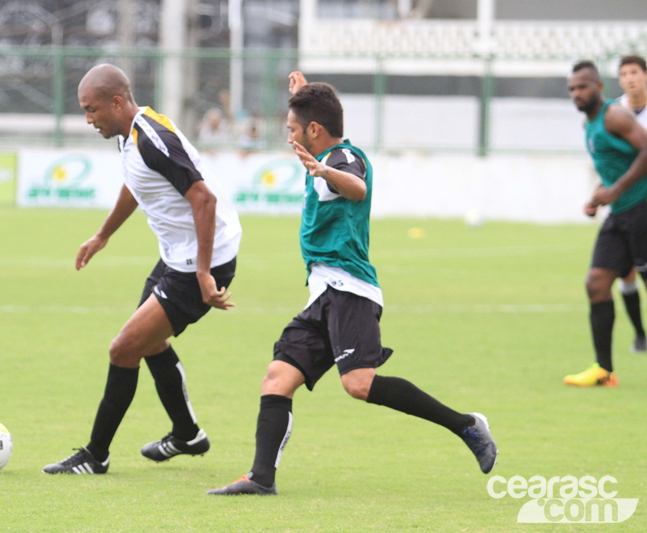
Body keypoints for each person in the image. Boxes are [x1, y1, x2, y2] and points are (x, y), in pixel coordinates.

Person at [207, 72, 497, 496]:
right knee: (277, 378)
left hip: (350, 291)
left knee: (358, 384)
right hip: (323, 292)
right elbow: (321, 131)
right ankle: (260, 478)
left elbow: (357, 188)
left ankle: (468, 426)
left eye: (293, 129)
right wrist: (303, 97)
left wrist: (323, 168)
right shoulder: (325, 151)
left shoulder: (345, 158)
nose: (289, 137)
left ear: (314, 130)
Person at [43, 64, 242, 474]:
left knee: (124, 348)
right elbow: (138, 185)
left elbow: (204, 200)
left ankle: (95, 456)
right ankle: (188, 435)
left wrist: (204, 274)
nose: (88, 119)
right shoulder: (130, 137)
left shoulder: (153, 139)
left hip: (200, 262)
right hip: (177, 257)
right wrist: (102, 236)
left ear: (117, 102)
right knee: (148, 343)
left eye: (91, 109)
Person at [563, 60, 647, 387]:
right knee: (596, 282)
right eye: (571, 89)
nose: (577, 93)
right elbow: (614, 166)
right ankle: (603, 370)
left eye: (583, 87)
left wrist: (616, 190)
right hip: (620, 213)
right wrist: (599, 194)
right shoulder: (589, 125)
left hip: (641, 207)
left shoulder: (614, 115)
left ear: (598, 87)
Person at [616, 55, 647, 352]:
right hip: (625, 204)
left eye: (635, 72)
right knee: (625, 271)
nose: (630, 78)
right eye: (624, 73)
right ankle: (640, 334)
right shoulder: (615, 112)